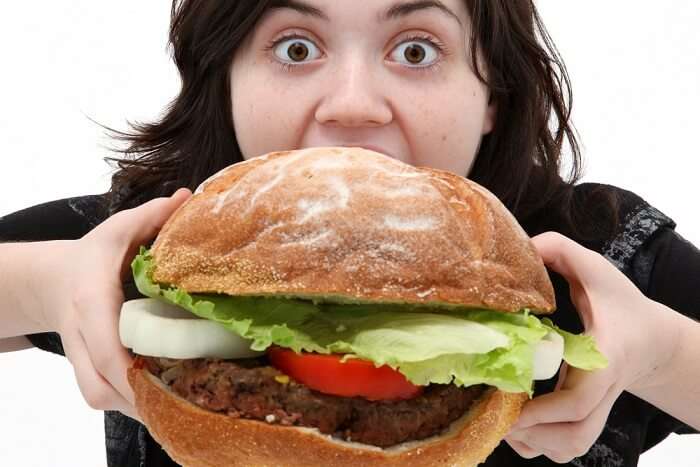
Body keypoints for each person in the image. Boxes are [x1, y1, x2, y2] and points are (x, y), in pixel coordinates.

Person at [1, 1, 698, 466]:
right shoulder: (161, 235)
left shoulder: (595, 255)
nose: (354, 105)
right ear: (227, 80)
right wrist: (49, 285)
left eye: (417, 50)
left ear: (494, 94)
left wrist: (661, 353)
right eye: (296, 46)